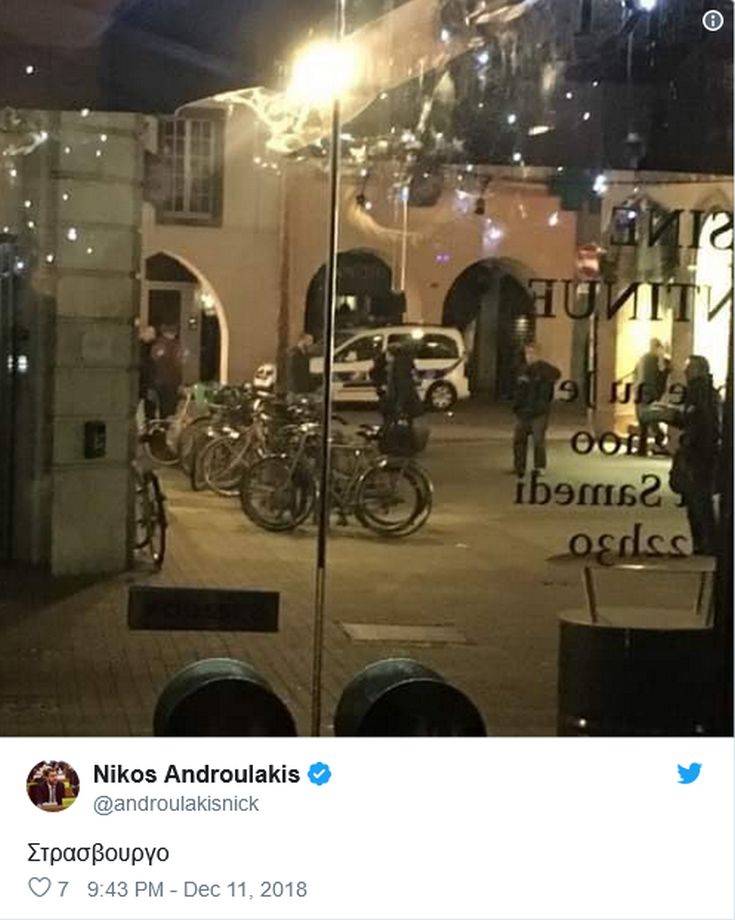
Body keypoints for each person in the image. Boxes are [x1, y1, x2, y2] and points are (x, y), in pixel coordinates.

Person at [668, 356, 721, 555]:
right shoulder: (704, 391)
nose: (685, 372)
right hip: (702, 452)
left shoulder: (699, 392)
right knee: (696, 500)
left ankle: (707, 543)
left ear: (698, 370)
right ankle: (703, 543)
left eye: (688, 368)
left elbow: (700, 423)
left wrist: (688, 444)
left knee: (699, 500)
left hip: (699, 454)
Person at [512, 342, 561, 478]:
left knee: (538, 440)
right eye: (527, 353)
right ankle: (519, 466)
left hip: (539, 412)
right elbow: (518, 389)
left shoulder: (545, 370)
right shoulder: (522, 370)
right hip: (523, 411)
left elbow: (556, 375)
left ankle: (539, 466)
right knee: (519, 439)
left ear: (538, 354)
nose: (529, 356)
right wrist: (517, 406)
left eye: (532, 353)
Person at [634, 338, 671, 456]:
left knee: (646, 418)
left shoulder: (656, 359)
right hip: (645, 392)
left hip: (646, 392)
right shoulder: (647, 358)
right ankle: (646, 445)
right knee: (645, 419)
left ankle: (652, 442)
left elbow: (661, 375)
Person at [150, 325, 184, 418]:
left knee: (165, 405)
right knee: (169, 405)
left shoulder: (159, 344)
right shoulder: (173, 345)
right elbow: (178, 362)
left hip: (164, 380)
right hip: (168, 380)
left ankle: (165, 420)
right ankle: (167, 420)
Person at [138, 325, 157, 419]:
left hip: (146, 382)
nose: (153, 336)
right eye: (151, 333)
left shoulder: (147, 347)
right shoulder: (141, 349)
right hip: (144, 382)